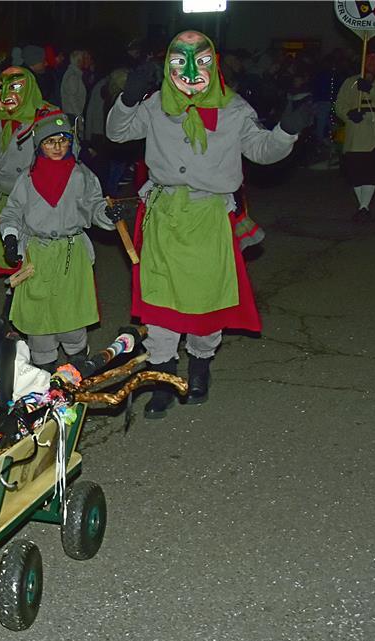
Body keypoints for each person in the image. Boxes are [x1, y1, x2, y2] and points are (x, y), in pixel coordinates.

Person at [106, 30, 310, 418]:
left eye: (199, 60)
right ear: (167, 66)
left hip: (208, 216)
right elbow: (117, 132)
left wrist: (286, 131)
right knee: (160, 304)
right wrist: (128, 98)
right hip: (164, 216)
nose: (189, 70)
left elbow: (262, 151)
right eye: (178, 61)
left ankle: (199, 369)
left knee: (204, 304)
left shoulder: (234, 109)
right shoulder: (154, 106)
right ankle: (163, 379)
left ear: (213, 64)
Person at [0, 112, 119, 371]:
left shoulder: (81, 176)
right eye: (49, 141)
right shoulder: (28, 179)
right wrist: (10, 236)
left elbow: (94, 204)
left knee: (71, 313)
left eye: (62, 140)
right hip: (38, 254)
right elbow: (12, 212)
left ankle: (77, 361)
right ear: (39, 145)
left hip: (71, 252)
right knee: (39, 316)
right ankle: (45, 371)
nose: (57, 147)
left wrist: (106, 214)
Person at [0, 66, 61, 269]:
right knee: (10, 254)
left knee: (37, 258)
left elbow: (64, 163)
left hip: (38, 200)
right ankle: (15, 294)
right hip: (6, 201)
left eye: (14, 86)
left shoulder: (47, 118)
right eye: (0, 86)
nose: (6, 94)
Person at [334, 52, 375, 222]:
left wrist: (370, 89)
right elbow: (340, 105)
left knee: (371, 169)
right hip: (355, 134)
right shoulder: (350, 82)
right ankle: (362, 204)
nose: (371, 61)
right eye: (368, 58)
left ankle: (364, 207)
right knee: (355, 170)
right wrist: (348, 114)